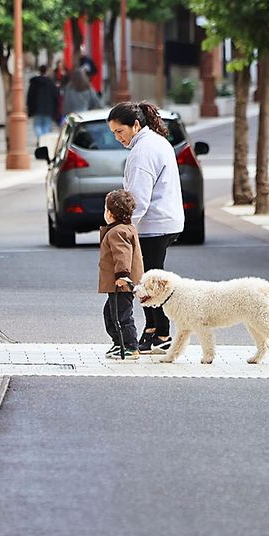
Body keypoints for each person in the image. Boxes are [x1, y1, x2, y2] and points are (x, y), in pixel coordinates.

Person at [108, 101, 184, 355]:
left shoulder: (142, 151)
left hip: (153, 224)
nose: (118, 137)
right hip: (164, 221)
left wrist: (124, 229)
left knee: (150, 281)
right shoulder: (156, 141)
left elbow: (138, 198)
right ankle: (153, 330)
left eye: (120, 131)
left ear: (135, 125)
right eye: (114, 133)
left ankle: (161, 333)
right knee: (148, 277)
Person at [98, 189, 145, 361]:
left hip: (122, 282)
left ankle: (131, 346)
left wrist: (123, 275)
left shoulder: (118, 232)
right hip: (119, 282)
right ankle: (119, 343)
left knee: (121, 316)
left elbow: (122, 255)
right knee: (110, 313)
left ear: (110, 213)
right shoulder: (123, 229)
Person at [26, 64, 61, 140]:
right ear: (46, 71)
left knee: (37, 126)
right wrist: (56, 108)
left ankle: (41, 139)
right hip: (48, 108)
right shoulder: (51, 83)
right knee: (46, 127)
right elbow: (56, 96)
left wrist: (29, 107)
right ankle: (44, 141)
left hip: (37, 108)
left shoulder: (34, 82)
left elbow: (30, 95)